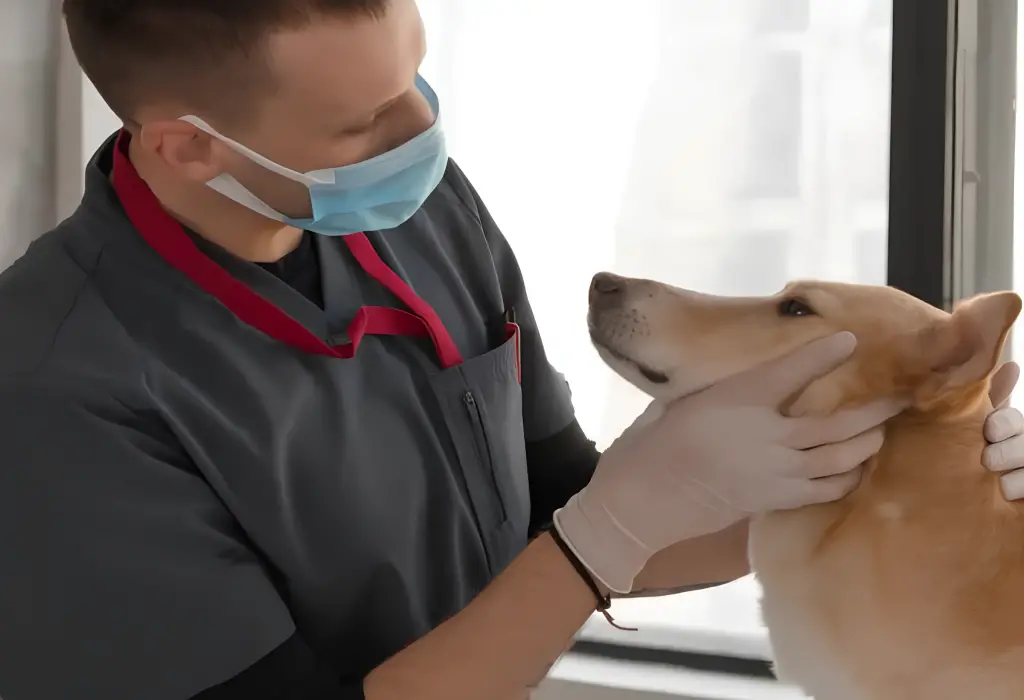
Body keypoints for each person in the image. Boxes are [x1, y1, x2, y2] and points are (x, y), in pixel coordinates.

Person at [1, 1, 1022, 698]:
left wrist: (908, 473)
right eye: (363, 122)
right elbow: (582, 542)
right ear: (189, 144)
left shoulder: (419, 214)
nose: (419, 133)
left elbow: (555, 509)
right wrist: (603, 533)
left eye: (417, 76)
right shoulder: (56, 389)